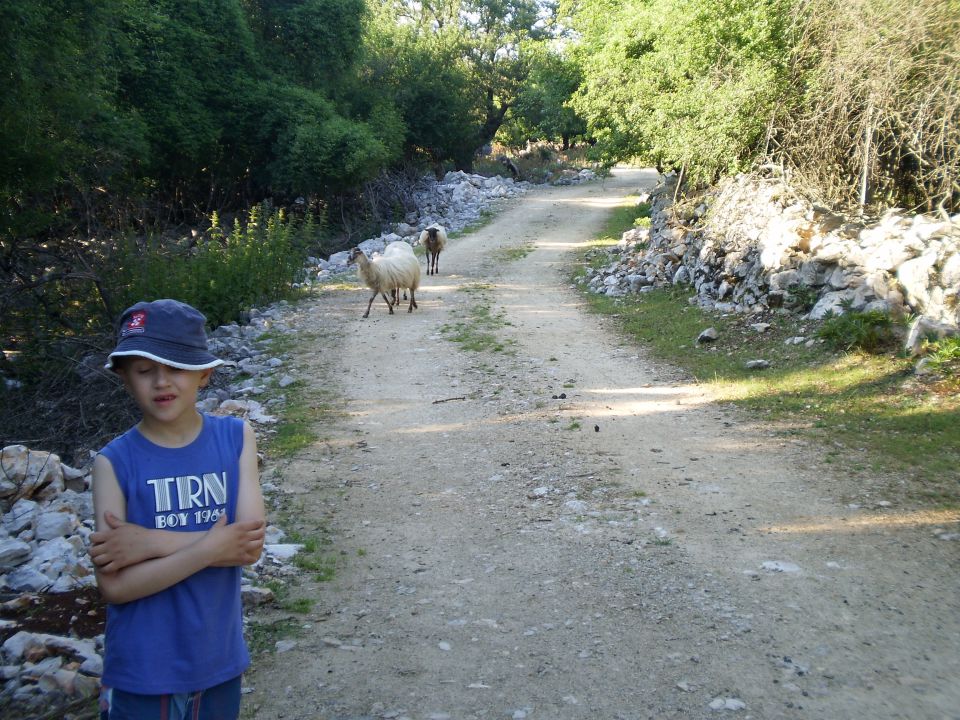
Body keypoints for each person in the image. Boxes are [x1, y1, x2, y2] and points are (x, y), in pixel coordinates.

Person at [89, 298, 266, 720]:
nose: (161, 382)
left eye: (176, 367)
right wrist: (209, 548)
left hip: (218, 661)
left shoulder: (237, 437)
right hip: (143, 672)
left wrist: (150, 541)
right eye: (145, 370)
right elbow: (114, 587)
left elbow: (246, 546)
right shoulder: (113, 463)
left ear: (204, 373)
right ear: (125, 378)